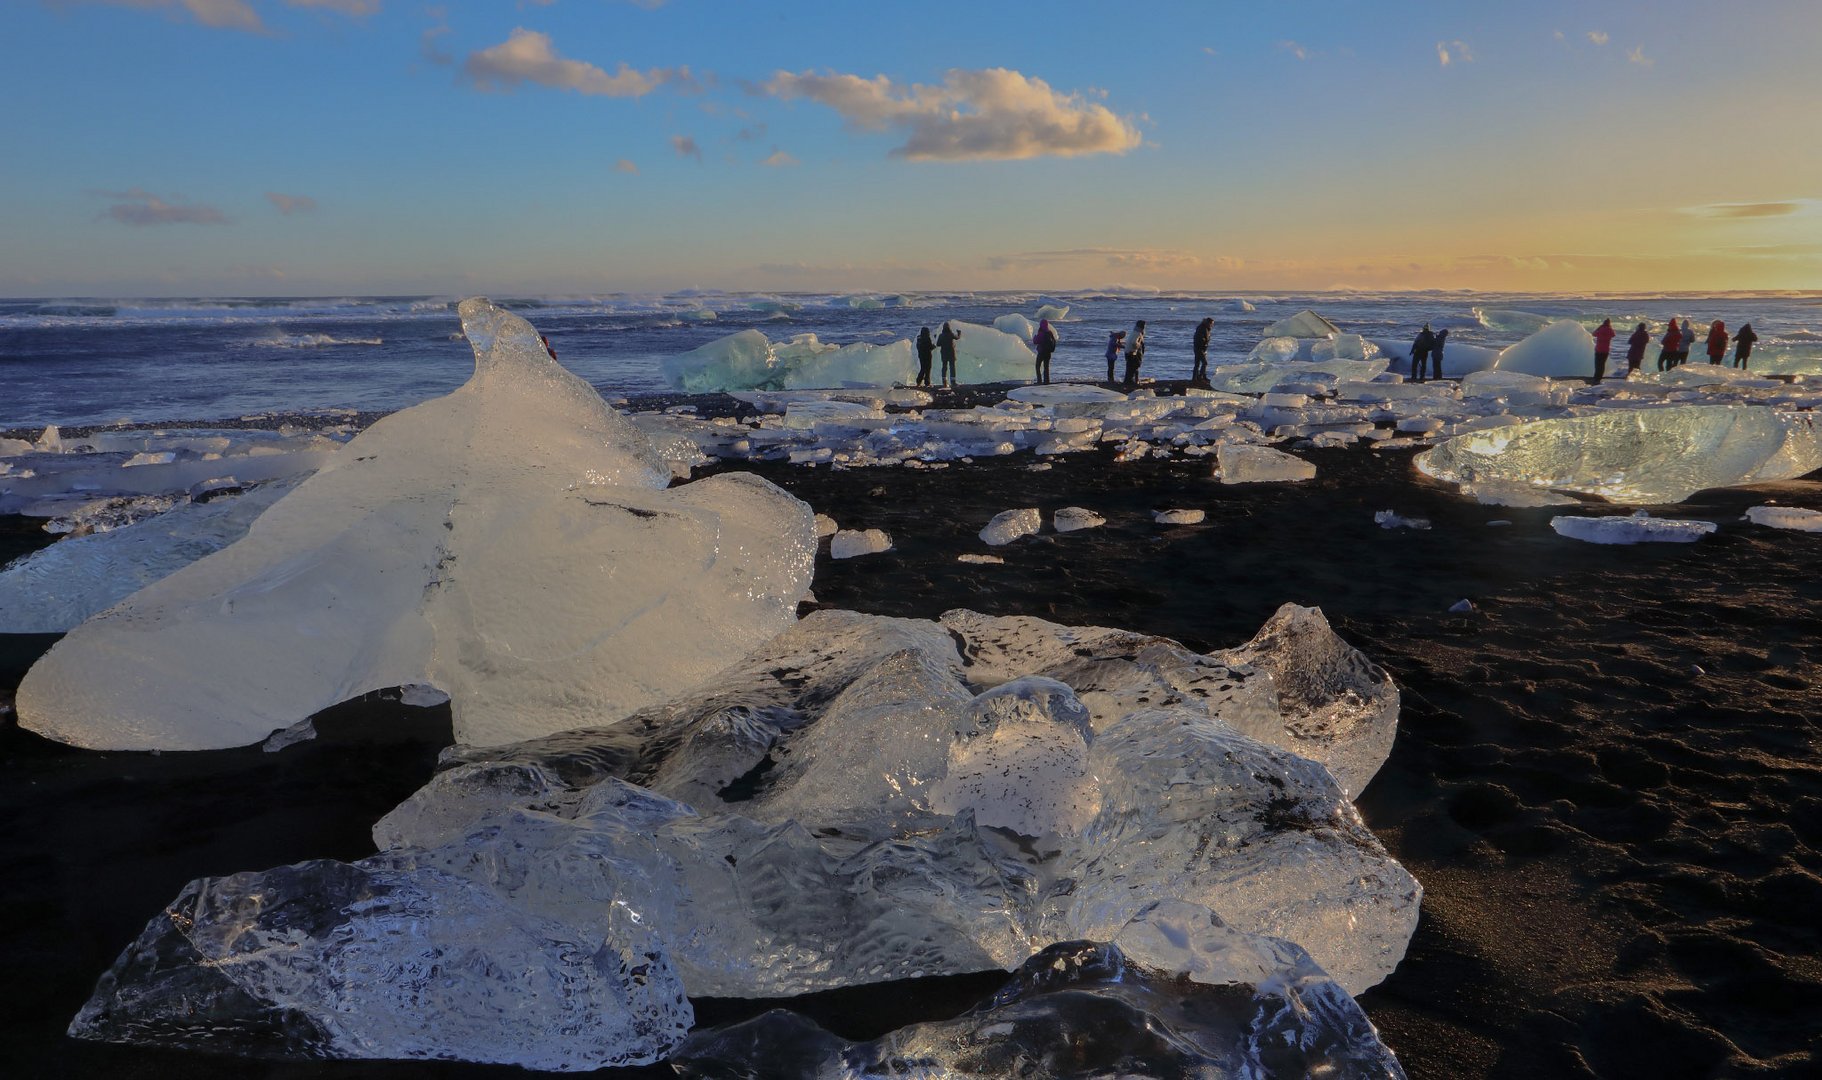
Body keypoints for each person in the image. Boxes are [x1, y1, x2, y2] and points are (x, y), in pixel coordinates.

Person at [1032, 318, 1058, 384]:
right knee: (1046, 367)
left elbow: (1036, 341)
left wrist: (1034, 337)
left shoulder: (1041, 333)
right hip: (1048, 353)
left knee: (1037, 366)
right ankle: (1046, 381)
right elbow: (1054, 340)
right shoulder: (1049, 332)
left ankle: (1039, 381)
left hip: (1041, 352)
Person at [1122, 320, 1146, 389]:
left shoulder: (1134, 332)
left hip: (1128, 352)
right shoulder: (1138, 333)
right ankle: (1130, 382)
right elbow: (1133, 342)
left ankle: (1128, 381)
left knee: (1130, 367)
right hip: (1132, 352)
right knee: (1133, 367)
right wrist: (1138, 346)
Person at [936, 322, 961, 388]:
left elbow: (938, 344)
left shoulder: (941, 335)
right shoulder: (951, 334)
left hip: (944, 353)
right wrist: (959, 333)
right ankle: (953, 382)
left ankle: (944, 382)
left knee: (944, 367)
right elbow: (957, 337)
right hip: (951, 353)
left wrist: (936, 337)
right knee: (952, 367)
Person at [1592, 318, 1616, 382]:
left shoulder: (1601, 329)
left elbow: (1593, 334)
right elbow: (1613, 335)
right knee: (1602, 364)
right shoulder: (1610, 330)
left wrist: (1599, 327)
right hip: (1606, 350)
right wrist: (1610, 327)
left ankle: (1596, 378)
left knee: (1597, 364)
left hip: (1599, 349)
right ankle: (1599, 377)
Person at [1191, 317, 1214, 382]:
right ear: (1208, 323)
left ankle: (1197, 377)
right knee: (1204, 363)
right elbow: (1199, 338)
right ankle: (1200, 377)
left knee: (1197, 363)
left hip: (1201, 348)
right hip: (1199, 347)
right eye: (1211, 324)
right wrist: (1204, 344)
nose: (1212, 325)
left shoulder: (1206, 328)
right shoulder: (1202, 328)